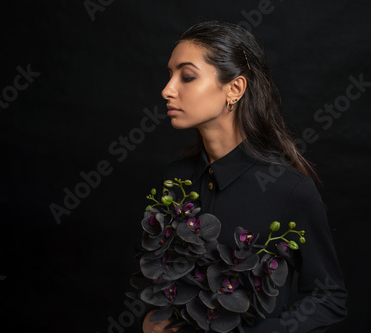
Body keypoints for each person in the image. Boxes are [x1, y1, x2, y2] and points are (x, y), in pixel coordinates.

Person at [141, 21, 347, 333]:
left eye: (186, 76)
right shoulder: (176, 179)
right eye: (170, 75)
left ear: (234, 89)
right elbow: (162, 278)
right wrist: (152, 319)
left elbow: (328, 297)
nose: (167, 89)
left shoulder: (290, 189)